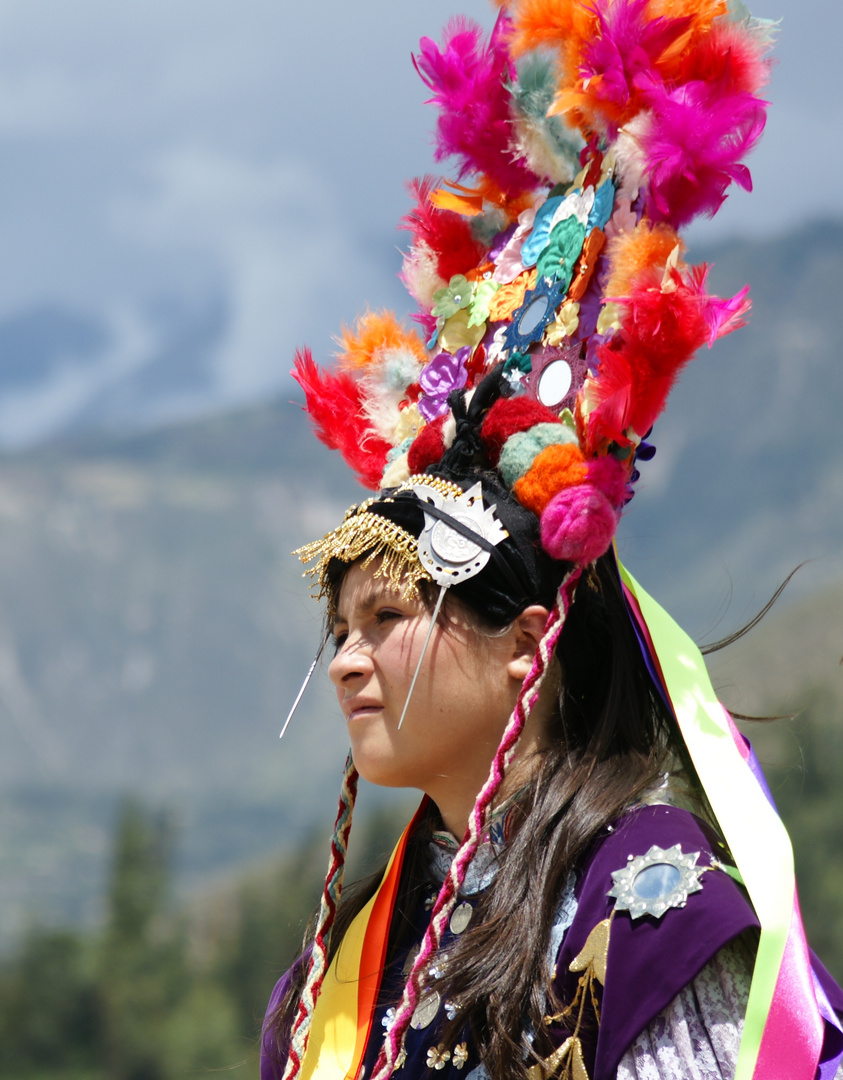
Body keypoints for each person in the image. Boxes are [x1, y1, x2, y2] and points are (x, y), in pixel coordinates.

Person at [261, 3, 843, 1078]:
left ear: (528, 640)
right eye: (339, 629)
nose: (346, 659)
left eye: (389, 616)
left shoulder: (650, 912)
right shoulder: (347, 979)